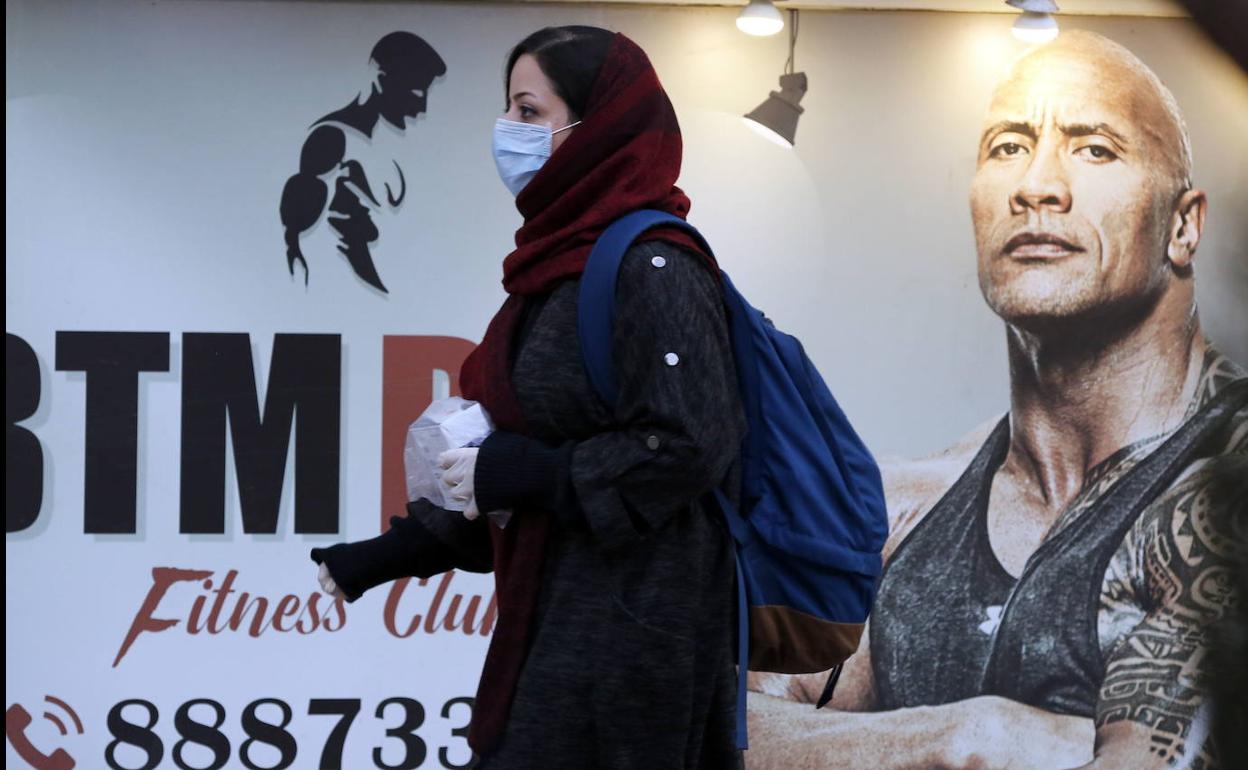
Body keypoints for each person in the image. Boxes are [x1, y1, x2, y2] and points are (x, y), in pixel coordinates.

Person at [747, 30, 1247, 770]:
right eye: (1009, 146)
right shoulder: (902, 509)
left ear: (1183, 225)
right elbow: (712, 729)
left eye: (1095, 149)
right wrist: (968, 741)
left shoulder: (1225, 487)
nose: (1036, 186)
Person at [311, 26, 746, 769]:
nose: (506, 132)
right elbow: (505, 467)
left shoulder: (654, 265)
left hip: (636, 644)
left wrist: (528, 472)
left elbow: (689, 442)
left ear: (598, 125)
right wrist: (390, 552)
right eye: (508, 109)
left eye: (529, 111)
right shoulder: (551, 275)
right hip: (558, 624)